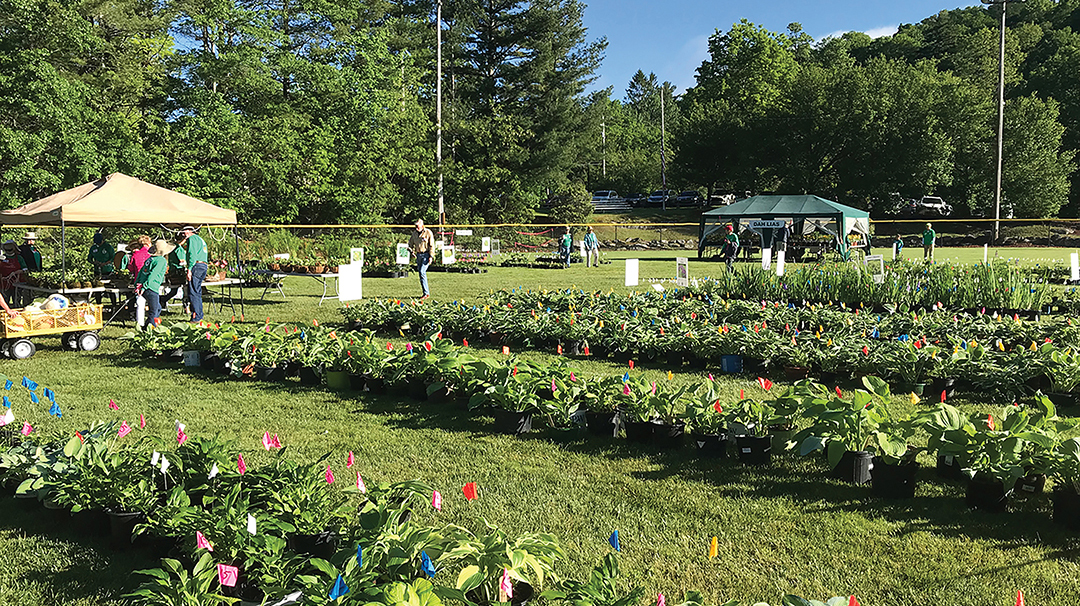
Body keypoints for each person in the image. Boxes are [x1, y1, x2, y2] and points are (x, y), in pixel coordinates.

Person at [135, 239, 173, 327]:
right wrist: (144, 286)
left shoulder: (150, 259)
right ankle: (150, 328)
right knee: (154, 310)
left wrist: (137, 285)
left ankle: (147, 325)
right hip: (151, 287)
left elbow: (141, 272)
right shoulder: (161, 261)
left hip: (144, 286)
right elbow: (153, 274)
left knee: (158, 307)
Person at [177, 225, 208, 321]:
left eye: (185, 231)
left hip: (196, 266)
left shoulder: (192, 239)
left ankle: (196, 316)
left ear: (190, 231)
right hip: (203, 265)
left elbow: (192, 254)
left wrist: (189, 269)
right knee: (197, 291)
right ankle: (199, 314)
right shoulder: (200, 239)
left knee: (193, 292)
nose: (183, 233)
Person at [408, 219, 436, 299]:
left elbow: (431, 245)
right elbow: (410, 244)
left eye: (417, 226)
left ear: (422, 225)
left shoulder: (428, 232)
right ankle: (425, 292)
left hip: (426, 255)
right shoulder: (414, 234)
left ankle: (426, 294)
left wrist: (431, 256)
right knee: (421, 274)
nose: (416, 228)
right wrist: (411, 251)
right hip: (418, 255)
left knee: (422, 272)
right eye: (415, 226)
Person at [0, 240, 25, 305]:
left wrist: (15, 272)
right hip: (4, 283)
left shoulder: (19, 258)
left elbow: (25, 269)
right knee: (4, 300)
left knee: (16, 299)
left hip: (16, 283)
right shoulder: (2, 258)